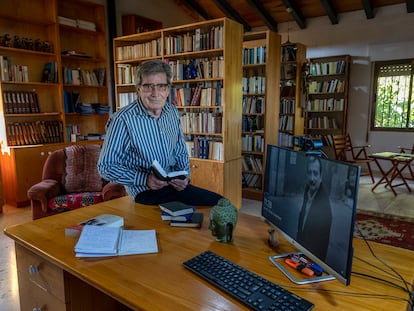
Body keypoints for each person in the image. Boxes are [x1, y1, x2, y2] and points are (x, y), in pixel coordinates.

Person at [97, 59, 222, 206]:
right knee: (218, 204)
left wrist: (185, 177)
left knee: (217, 206)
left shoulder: (172, 112)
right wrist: (145, 179)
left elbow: (180, 151)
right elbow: (105, 166)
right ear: (138, 89)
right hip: (145, 191)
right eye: (148, 86)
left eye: (161, 86)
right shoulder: (122, 120)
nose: (155, 93)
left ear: (168, 89)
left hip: (173, 186)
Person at [297, 156, 332, 260]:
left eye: (315, 173)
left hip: (311, 259)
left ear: (321, 176)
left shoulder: (324, 207)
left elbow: (320, 249)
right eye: (309, 172)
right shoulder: (308, 190)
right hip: (300, 250)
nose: (312, 178)